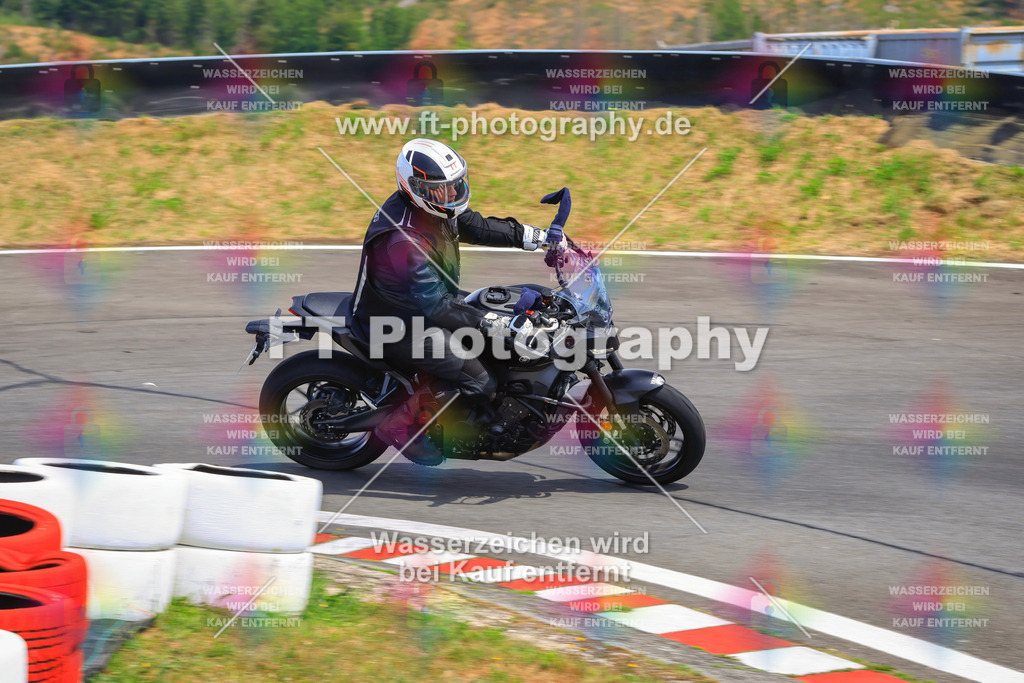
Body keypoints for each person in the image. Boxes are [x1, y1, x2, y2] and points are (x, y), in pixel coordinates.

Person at [349, 138, 563, 464]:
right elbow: (435, 307)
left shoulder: (432, 207)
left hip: (424, 303)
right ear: (417, 188)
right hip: (398, 325)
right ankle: (398, 426)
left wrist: (538, 237)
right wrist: (494, 323)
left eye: (456, 184)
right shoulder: (404, 241)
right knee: (480, 379)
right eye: (442, 189)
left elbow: (477, 226)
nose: (452, 193)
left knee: (503, 315)